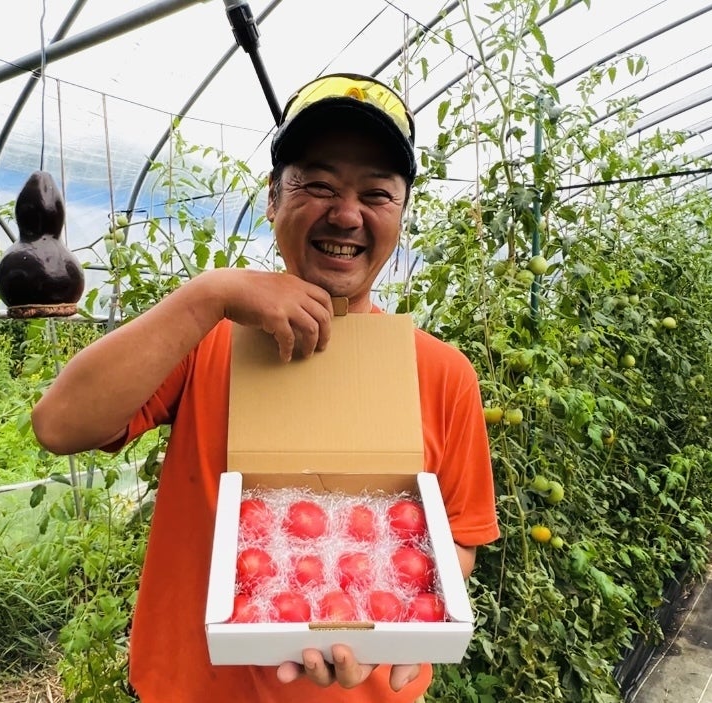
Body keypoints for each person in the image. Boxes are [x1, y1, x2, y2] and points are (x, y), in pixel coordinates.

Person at [32, 73, 500, 703]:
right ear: (274, 199)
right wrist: (211, 294)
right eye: (319, 185)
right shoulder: (206, 340)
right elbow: (60, 424)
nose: (347, 214)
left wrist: (396, 618)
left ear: (401, 215)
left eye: (376, 193)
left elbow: (459, 539)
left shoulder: (442, 375)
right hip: (192, 690)